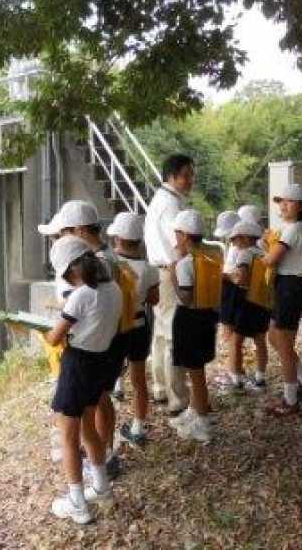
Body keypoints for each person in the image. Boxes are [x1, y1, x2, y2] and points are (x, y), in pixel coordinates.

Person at [44, 236, 123, 524]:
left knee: (68, 434)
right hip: (101, 361)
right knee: (88, 426)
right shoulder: (113, 288)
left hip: (78, 363)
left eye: (66, 274)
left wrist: (48, 329)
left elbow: (54, 337)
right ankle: (101, 488)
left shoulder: (81, 295)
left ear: (73, 269)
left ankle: (77, 503)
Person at [263, 184, 302, 416]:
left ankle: (290, 400)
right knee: (274, 337)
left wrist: (263, 248)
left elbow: (271, 260)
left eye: (288, 201)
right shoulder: (295, 228)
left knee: (284, 343)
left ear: (299, 206)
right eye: (280, 201)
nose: (283, 205)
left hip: (291, 286)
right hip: (290, 285)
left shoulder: (293, 229)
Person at [144, 154, 195, 414]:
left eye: (191, 174)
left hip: (159, 270)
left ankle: (161, 389)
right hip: (170, 272)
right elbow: (180, 246)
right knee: (174, 335)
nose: (190, 180)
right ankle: (178, 398)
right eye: (186, 175)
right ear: (171, 176)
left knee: (162, 334)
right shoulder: (171, 206)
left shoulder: (160, 200)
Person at [106, 212, 160, 445]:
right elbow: (154, 299)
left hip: (115, 327)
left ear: (117, 239)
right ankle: (138, 428)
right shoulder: (149, 269)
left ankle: (105, 439)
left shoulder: (109, 264)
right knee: (139, 380)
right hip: (139, 325)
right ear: (140, 241)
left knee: (106, 380)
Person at [167, 209, 219, 442]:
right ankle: (195, 410)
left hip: (190, 319)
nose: (175, 237)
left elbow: (186, 297)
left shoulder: (185, 264)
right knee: (197, 370)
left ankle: (203, 422)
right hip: (208, 316)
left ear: (185, 236)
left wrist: (172, 276)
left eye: (177, 233)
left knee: (195, 373)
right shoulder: (212, 256)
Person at [220, 219, 269, 391]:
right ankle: (261, 376)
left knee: (236, 341)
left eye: (236, 239)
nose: (234, 243)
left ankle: (236, 378)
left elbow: (241, 277)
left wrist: (226, 276)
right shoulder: (263, 252)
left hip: (245, 302)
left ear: (247, 238)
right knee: (260, 340)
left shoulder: (245, 254)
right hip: (262, 302)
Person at [214, 210, 241, 350]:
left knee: (229, 326)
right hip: (228, 288)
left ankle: (231, 359)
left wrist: (220, 274)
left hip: (233, 290)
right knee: (226, 325)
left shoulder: (240, 248)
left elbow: (237, 275)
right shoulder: (233, 246)